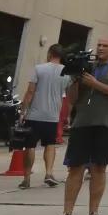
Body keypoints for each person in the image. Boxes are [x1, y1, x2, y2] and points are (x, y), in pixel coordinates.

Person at [53, 35, 108, 215]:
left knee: (98, 168)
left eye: (105, 45)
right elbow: (72, 99)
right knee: (75, 168)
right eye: (99, 45)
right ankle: (67, 214)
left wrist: (95, 83)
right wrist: (77, 81)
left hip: (106, 125)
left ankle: (93, 213)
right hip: (83, 123)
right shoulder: (88, 67)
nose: (101, 48)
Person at [17, 44, 70, 189]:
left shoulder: (39, 68)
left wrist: (23, 111)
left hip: (34, 114)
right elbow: (69, 96)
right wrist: (68, 115)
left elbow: (30, 91)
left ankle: (26, 178)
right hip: (52, 116)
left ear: (50, 53)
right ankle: (49, 173)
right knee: (50, 144)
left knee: (30, 145)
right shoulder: (67, 73)